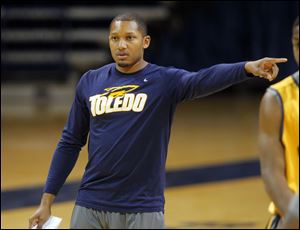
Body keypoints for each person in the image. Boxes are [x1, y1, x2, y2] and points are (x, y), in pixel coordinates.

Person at [29, 13, 288, 229]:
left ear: (145, 41)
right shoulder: (90, 81)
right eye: (115, 38)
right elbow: (70, 142)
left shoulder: (164, 81)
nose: (121, 45)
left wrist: (245, 68)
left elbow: (204, 78)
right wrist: (46, 200)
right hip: (90, 203)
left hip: (141, 207)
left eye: (129, 38)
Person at [258, 16, 299, 229]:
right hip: (290, 217)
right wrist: (295, 215)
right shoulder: (276, 99)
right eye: (298, 43)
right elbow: (271, 174)